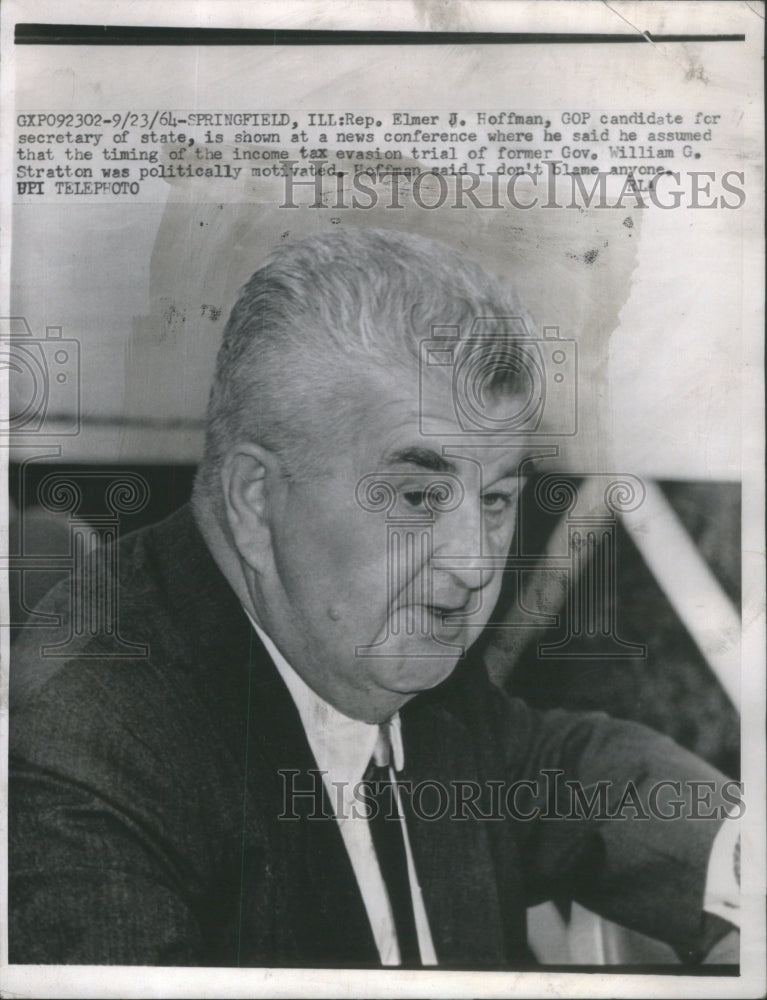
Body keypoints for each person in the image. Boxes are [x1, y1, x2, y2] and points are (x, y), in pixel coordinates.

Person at [9, 228, 739, 967]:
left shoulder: (366, 648)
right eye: (418, 496)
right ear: (257, 500)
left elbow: (556, 767)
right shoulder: (86, 761)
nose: (475, 562)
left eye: (495, 499)